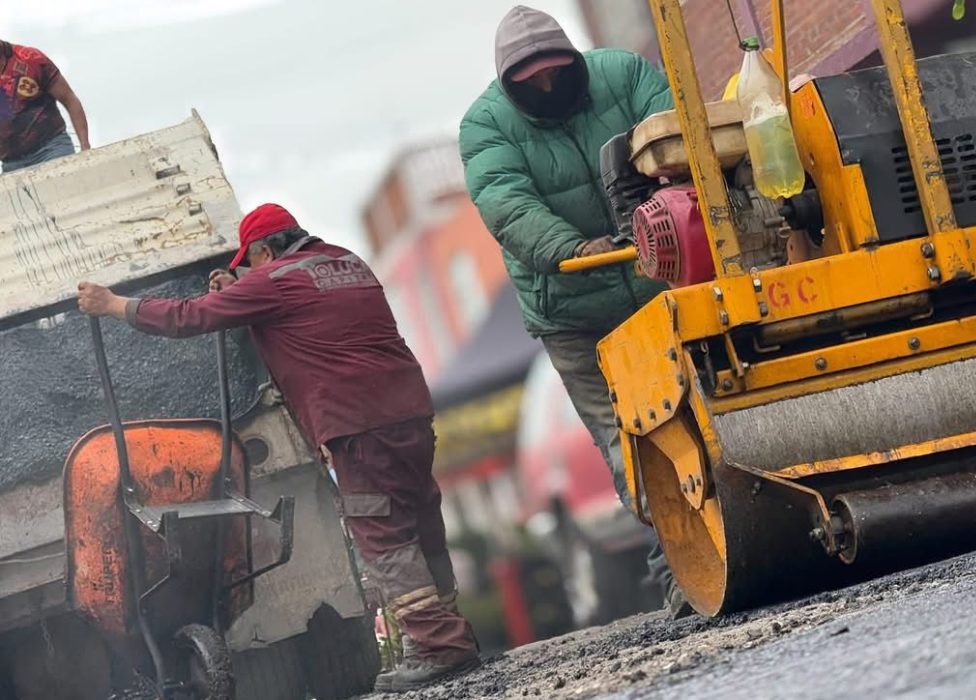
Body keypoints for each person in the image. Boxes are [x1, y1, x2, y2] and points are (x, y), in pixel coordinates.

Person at [76, 204, 479, 692]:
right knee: (420, 519)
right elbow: (308, 320)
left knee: (384, 533)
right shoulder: (346, 262)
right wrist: (244, 291)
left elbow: (190, 317)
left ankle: (438, 645)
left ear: (265, 250)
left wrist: (113, 304)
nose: (250, 272)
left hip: (357, 424)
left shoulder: (274, 281)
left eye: (251, 263)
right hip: (409, 411)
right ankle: (451, 631)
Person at [459, 5, 692, 617]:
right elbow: (506, 205)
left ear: (576, 63)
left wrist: (666, 205)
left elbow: (673, 136)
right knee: (627, 438)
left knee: (706, 406)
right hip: (571, 308)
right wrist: (572, 249)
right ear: (509, 81)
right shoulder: (485, 125)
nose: (544, 85)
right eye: (529, 79)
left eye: (555, 72)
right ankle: (675, 568)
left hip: (660, 279)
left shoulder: (621, 74)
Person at [1, 40, 89, 173]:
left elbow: (69, 99)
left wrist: (85, 148)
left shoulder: (29, 58)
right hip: (11, 163)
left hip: (52, 149)